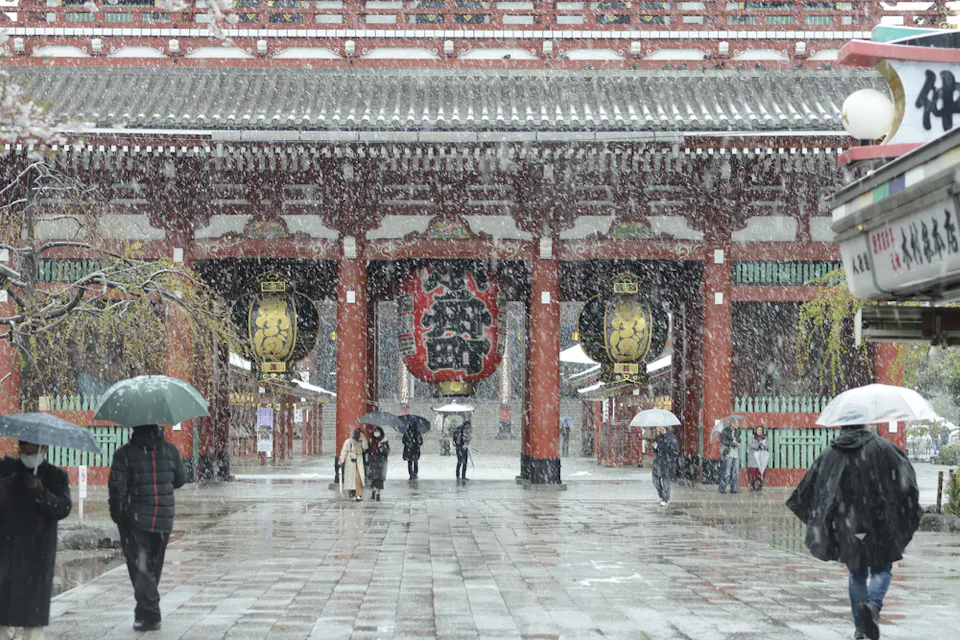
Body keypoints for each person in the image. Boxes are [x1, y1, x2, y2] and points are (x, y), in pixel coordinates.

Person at [787, 424, 921, 640]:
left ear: (843, 426)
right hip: (879, 520)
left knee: (857, 573)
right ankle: (873, 605)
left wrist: (821, 516)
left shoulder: (831, 453)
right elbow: (907, 480)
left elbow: (812, 486)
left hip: (847, 522)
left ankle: (860, 627)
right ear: (865, 424)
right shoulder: (884, 448)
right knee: (882, 567)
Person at [108, 425, 186, 632]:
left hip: (136, 521)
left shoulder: (124, 454)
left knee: (141, 569)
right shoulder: (170, 450)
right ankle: (144, 612)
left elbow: (117, 490)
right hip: (163, 520)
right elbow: (180, 479)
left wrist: (118, 516)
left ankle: (151, 614)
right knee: (151, 567)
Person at [0, 441, 72, 640]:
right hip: (6, 551)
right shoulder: (6, 469)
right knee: (2, 612)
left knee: (33, 617)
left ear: (44, 448)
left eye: (31, 448)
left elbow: (63, 508)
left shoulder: (56, 476)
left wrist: (42, 494)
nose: (26, 452)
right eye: (22, 446)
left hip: (38, 553)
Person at [651, 426, 680, 506]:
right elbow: (655, 450)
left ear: (663, 427)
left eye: (658, 426)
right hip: (658, 462)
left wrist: (670, 459)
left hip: (667, 463)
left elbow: (676, 451)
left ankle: (665, 499)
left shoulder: (671, 437)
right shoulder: (658, 437)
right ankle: (661, 495)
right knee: (655, 480)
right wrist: (654, 447)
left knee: (665, 481)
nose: (656, 428)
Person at [339, 428, 368, 502]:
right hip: (350, 461)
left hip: (358, 461)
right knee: (351, 478)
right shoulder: (348, 442)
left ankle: (359, 494)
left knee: (358, 478)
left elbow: (365, 447)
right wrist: (341, 459)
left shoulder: (362, 440)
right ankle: (352, 494)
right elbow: (344, 451)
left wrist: (364, 438)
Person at [366, 427, 390, 502]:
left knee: (379, 480)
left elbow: (386, 451)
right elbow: (369, 450)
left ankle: (378, 494)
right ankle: (373, 491)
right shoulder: (372, 441)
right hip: (373, 462)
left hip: (381, 463)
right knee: (373, 478)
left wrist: (381, 447)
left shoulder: (384, 441)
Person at [718, 424, 740, 494]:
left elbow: (739, 440)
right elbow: (724, 442)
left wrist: (738, 439)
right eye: (736, 423)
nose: (738, 425)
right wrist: (733, 443)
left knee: (735, 472)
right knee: (727, 472)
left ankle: (734, 488)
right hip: (728, 453)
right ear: (732, 424)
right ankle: (722, 488)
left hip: (736, 454)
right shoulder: (725, 431)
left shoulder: (737, 431)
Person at [747, 426, 768, 491]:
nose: (759, 431)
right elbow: (750, 444)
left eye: (760, 430)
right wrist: (757, 446)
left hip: (760, 457)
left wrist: (763, 446)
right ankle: (753, 486)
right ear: (756, 430)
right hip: (753, 457)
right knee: (753, 472)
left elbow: (767, 445)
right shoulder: (752, 437)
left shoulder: (764, 438)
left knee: (759, 472)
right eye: (758, 430)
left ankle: (760, 486)